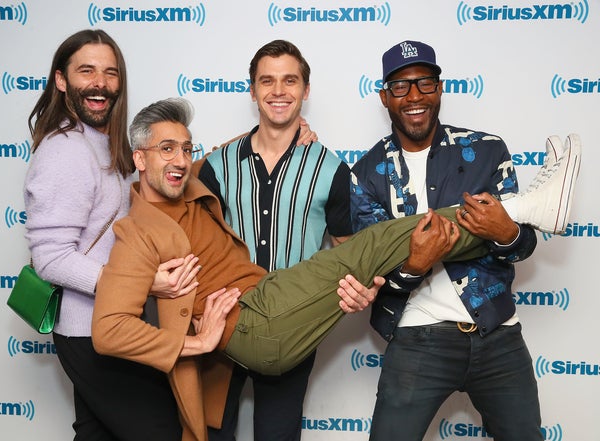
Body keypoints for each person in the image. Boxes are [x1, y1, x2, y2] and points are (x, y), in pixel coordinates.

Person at [90, 96, 579, 441]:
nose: (180, 159)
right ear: (138, 158)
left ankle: (520, 214)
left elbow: (235, 146)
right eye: (166, 149)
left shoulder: (191, 181)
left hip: (268, 305)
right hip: (254, 321)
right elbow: (108, 331)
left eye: (186, 147)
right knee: (374, 245)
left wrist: (287, 126)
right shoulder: (137, 232)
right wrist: (194, 342)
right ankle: (529, 207)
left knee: (371, 253)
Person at [349, 40, 580, 441]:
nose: (414, 96)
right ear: (385, 96)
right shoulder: (365, 174)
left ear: (440, 88)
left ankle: (530, 209)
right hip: (419, 336)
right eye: (401, 87)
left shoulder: (487, 151)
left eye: (424, 83)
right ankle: (535, 206)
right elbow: (376, 277)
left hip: (497, 330)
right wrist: (414, 267)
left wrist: (507, 233)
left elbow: (523, 248)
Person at [196, 39, 383, 441]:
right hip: (221, 323)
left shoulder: (330, 168)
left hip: (293, 326)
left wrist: (361, 286)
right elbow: (193, 238)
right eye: (267, 81)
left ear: (305, 90)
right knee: (211, 434)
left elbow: (348, 248)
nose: (278, 91)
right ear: (252, 90)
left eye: (290, 80)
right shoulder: (216, 166)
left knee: (277, 436)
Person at [23, 29, 185, 440]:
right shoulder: (65, 151)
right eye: (87, 71)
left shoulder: (101, 141)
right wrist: (142, 284)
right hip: (88, 332)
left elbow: (162, 164)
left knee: (97, 434)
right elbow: (51, 257)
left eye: (110, 73)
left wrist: (271, 139)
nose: (100, 83)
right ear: (61, 80)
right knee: (162, 431)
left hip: (107, 323)